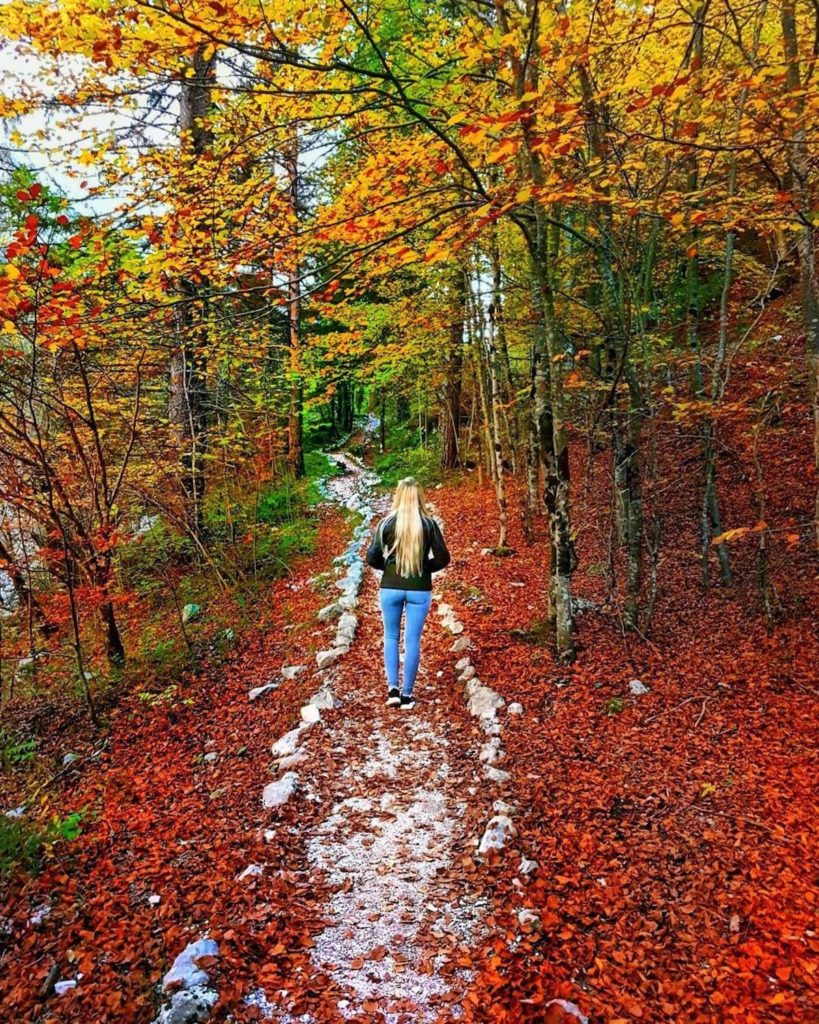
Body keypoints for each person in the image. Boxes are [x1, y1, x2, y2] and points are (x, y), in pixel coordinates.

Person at [366, 477, 451, 709]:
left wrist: (391, 568)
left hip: (390, 587)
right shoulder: (429, 525)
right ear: (419, 497)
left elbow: (372, 557)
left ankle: (392, 689)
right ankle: (407, 695)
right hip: (419, 589)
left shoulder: (386, 523)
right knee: (412, 640)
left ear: (398, 496)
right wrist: (423, 569)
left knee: (391, 637)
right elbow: (443, 558)